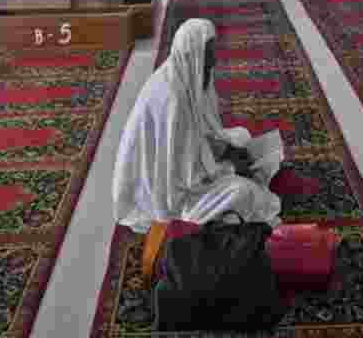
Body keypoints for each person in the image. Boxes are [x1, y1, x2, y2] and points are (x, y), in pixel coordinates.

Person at [113, 18, 283, 234]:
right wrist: (230, 168)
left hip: (185, 165)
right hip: (170, 193)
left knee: (241, 136)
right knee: (245, 192)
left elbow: (199, 131)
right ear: (193, 54)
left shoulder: (184, 73)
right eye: (209, 53)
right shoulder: (172, 99)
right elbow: (186, 177)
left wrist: (228, 151)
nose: (214, 60)